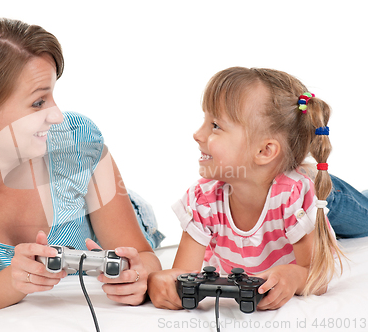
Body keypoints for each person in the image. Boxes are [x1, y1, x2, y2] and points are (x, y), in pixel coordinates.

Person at [0, 17, 163, 311]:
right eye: (39, 102)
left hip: (114, 214)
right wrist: (15, 281)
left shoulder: (75, 141)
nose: (57, 115)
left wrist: (138, 277)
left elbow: (143, 255)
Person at [147, 67, 368, 311]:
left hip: (326, 196)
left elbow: (318, 275)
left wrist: (294, 276)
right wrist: (161, 282)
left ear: (264, 151)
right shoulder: (203, 200)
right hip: (291, 206)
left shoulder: (294, 196)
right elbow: (182, 274)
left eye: (215, 125)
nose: (197, 134)